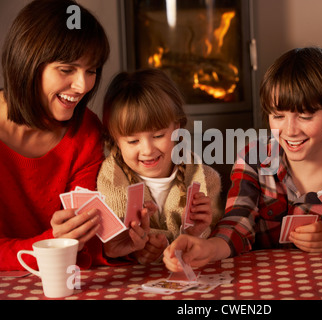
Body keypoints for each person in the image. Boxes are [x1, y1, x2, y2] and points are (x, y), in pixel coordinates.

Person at [163, 47, 322, 271]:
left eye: (305, 116)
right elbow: (238, 220)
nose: (290, 130)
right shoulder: (253, 158)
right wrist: (208, 249)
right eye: (278, 116)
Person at [0, 0, 111, 271]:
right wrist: (54, 243)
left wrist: (117, 245)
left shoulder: (86, 132)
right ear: (27, 62)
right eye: (66, 69)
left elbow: (86, 244)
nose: (82, 85)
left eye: (91, 70)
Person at [97, 68, 223, 265]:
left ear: (177, 128)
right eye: (132, 141)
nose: (147, 150)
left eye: (158, 136)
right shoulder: (109, 180)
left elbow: (215, 242)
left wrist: (196, 233)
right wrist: (141, 250)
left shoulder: (206, 178)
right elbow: (115, 243)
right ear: (115, 140)